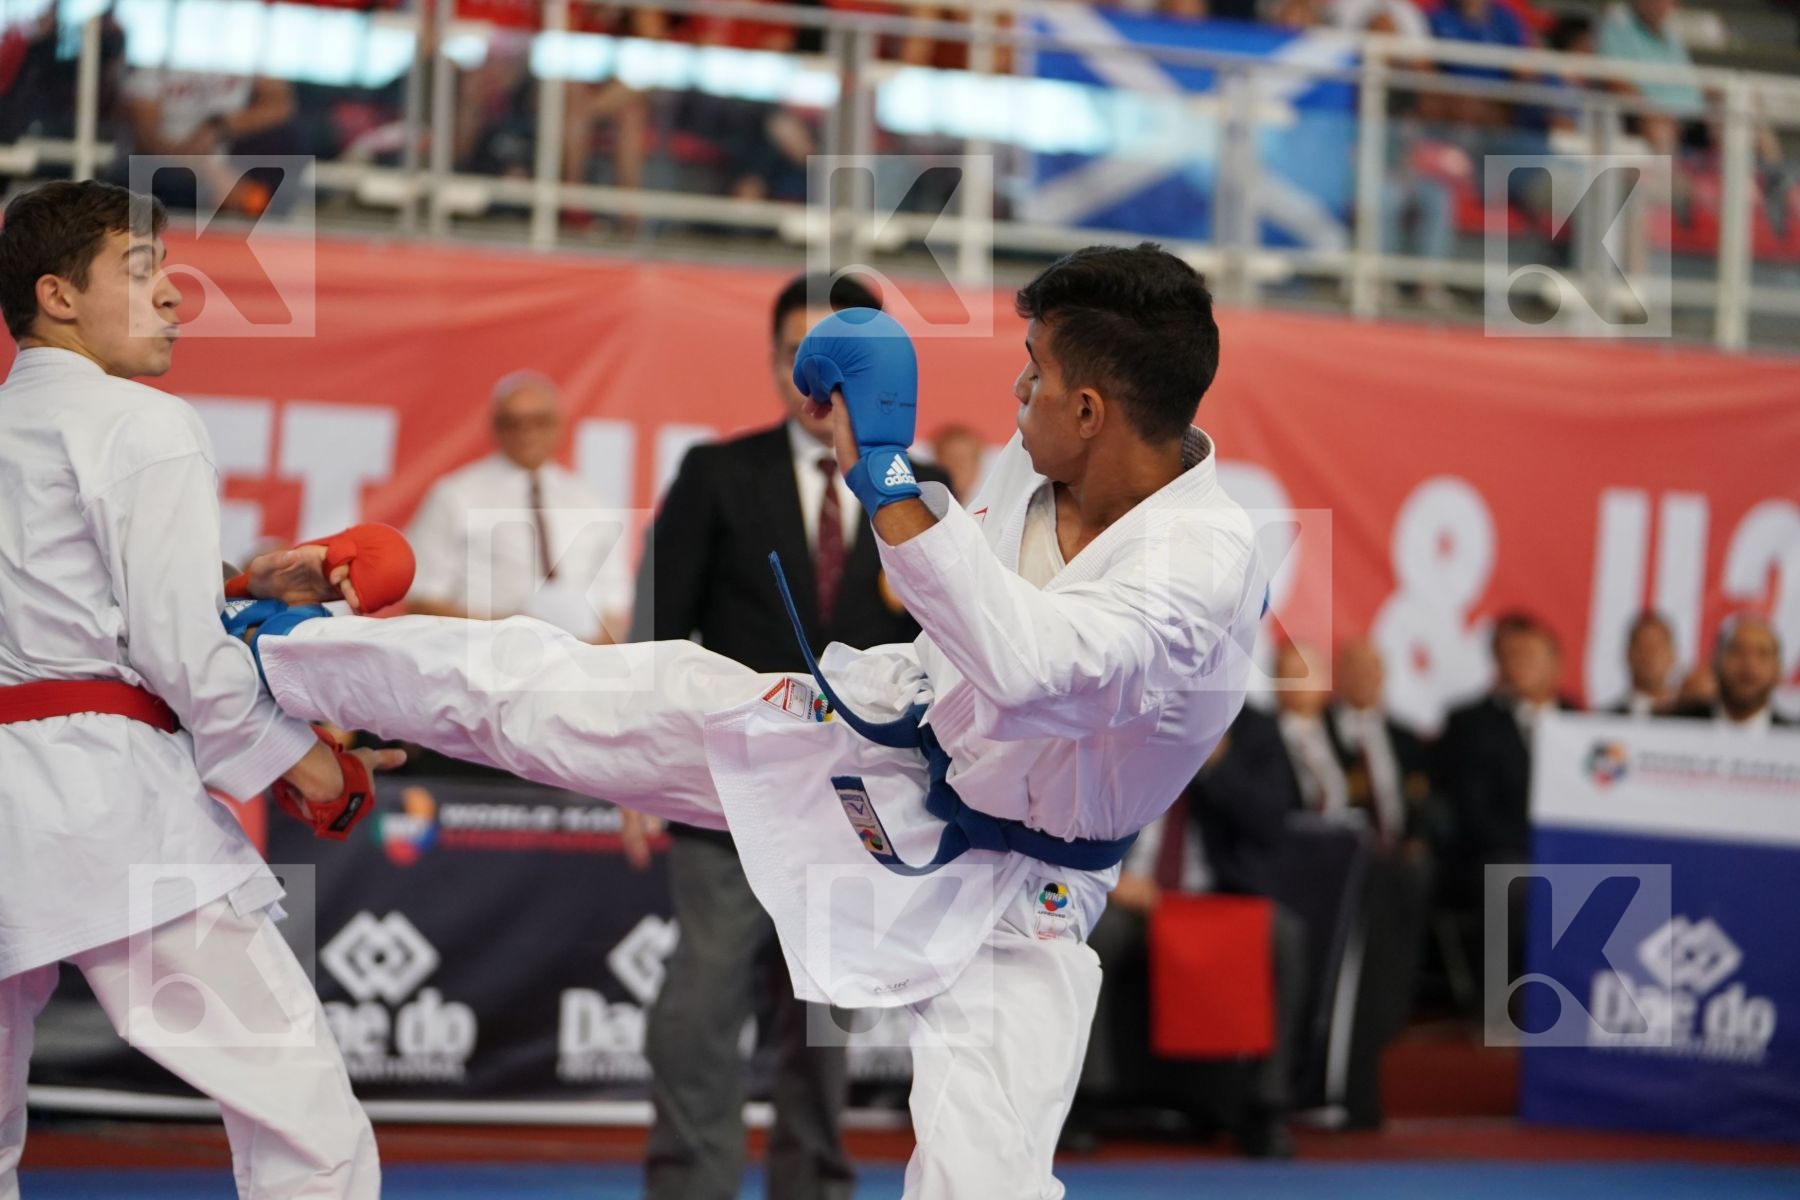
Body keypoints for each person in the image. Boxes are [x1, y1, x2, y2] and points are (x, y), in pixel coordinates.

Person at [230, 243, 1265, 1198]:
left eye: (1033, 374)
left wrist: (890, 476)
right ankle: (278, 647)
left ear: (1091, 410)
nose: (1016, 391)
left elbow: (1035, 669)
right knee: (560, 692)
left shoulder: (1203, 565)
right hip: (883, 740)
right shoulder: (1041, 465)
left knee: (982, 1181)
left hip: (1024, 890)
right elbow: (959, 627)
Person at [0, 180, 403, 1200]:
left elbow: (56, 594)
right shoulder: (144, 421)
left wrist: (235, 580)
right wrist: (305, 763)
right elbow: (178, 650)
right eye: (139, 273)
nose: (175, 295)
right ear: (57, 295)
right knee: (305, 1121)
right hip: (103, 804)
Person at [625, 273, 944, 1200]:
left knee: (828, 1022)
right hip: (723, 794)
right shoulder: (716, 475)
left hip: (861, 808)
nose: (823, 380)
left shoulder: (926, 494)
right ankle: (691, 1187)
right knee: (699, 1007)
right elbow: (654, 636)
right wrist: (632, 779)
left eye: (846, 362)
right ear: (776, 366)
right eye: (805, 356)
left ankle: (818, 1187)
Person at [1074, 705, 1306, 1159]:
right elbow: (1076, 802)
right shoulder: (1120, 712)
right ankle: (1085, 1101)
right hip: (1130, 895)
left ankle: (1266, 1107)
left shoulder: (1253, 728)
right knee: (1096, 940)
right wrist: (1111, 876)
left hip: (1218, 896)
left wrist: (1216, 763)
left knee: (1284, 937)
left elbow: (1270, 821)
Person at [405, 370, 630, 641]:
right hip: (481, 662)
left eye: (539, 421)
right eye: (514, 422)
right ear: (496, 427)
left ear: (557, 425)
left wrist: (588, 653)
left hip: (573, 668)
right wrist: (511, 631)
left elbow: (614, 605)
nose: (527, 433)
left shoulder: (589, 501)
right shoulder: (455, 496)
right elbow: (421, 600)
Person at [1673, 613, 1792, 730]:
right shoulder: (1675, 726)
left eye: (1762, 654)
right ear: (1715, 662)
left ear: (1778, 670)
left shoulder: (1794, 737)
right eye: (1737, 651)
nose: (1749, 664)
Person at [1611, 610, 1679, 717]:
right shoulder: (1608, 719)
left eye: (1658, 647)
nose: (1650, 656)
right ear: (1628, 655)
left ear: (1672, 655)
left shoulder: (1696, 718)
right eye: (1642, 648)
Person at [927, 424, 987, 506]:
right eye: (951, 458)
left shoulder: (990, 507)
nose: (958, 467)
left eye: (964, 459)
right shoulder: (923, 506)